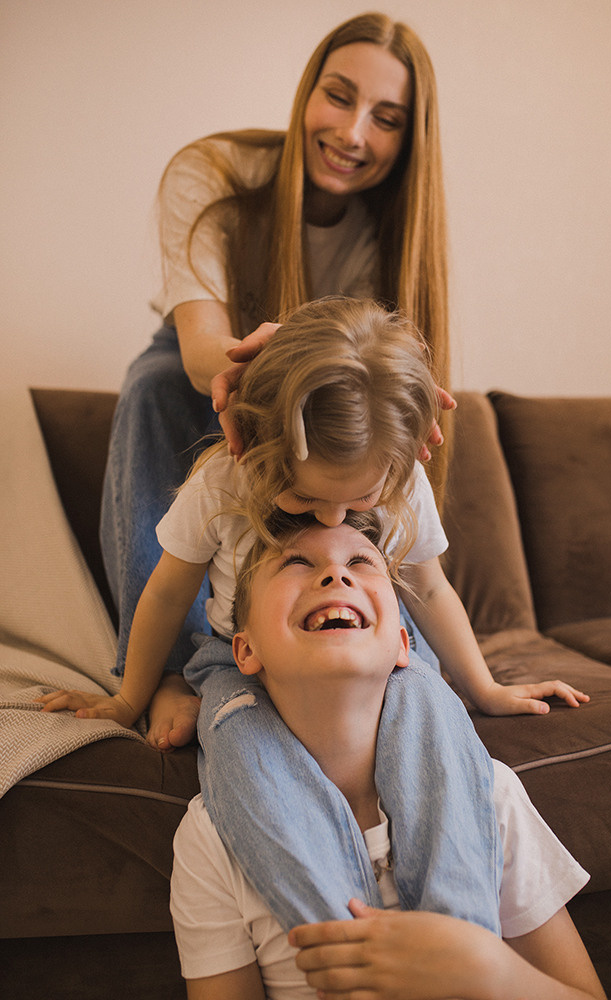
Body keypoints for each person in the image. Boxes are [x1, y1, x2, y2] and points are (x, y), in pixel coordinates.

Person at [39, 297, 588, 934]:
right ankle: (337, 938)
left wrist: (485, 688)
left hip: (383, 653)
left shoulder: (403, 479)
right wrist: (132, 694)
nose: (332, 519)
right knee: (242, 753)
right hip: (235, 660)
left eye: (359, 499)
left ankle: (456, 936)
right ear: (254, 442)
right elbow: (164, 593)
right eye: (304, 496)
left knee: (439, 727)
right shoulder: (224, 482)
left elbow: (432, 591)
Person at [98, 11, 454, 746]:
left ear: (409, 137)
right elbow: (202, 354)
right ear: (305, 93)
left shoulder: (397, 231)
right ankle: (171, 665)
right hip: (219, 367)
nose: (354, 133)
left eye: (386, 119)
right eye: (339, 96)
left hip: (338, 402)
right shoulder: (216, 174)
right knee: (156, 383)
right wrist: (258, 363)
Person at [169, 513, 606, 1000]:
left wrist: (488, 970)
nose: (337, 575)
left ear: (403, 644)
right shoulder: (212, 837)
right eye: (296, 562)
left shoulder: (487, 796)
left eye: (360, 560)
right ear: (245, 651)